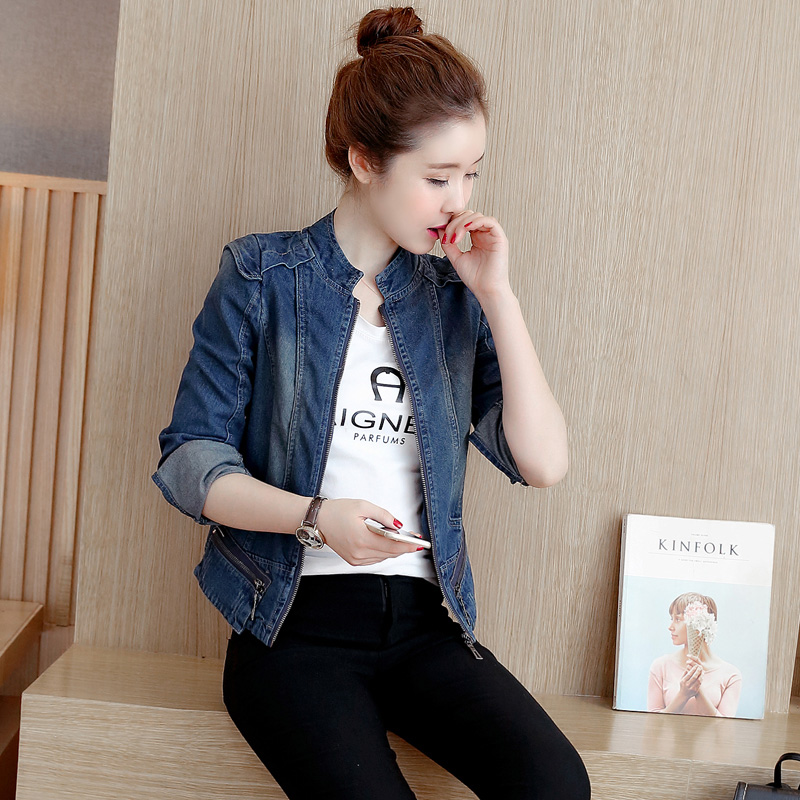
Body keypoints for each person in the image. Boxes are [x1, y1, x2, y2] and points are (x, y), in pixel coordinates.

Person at [152, 6, 590, 799]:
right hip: (293, 629)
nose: (458, 200)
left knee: (554, 784)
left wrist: (496, 295)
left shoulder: (453, 299)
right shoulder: (261, 278)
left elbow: (544, 462)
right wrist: (317, 517)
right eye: (437, 178)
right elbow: (191, 463)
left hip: (425, 630)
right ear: (363, 160)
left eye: (472, 175)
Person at [647, 592, 742, 717]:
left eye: (678, 619)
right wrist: (683, 695)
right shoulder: (660, 666)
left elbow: (725, 726)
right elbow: (652, 721)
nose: (670, 627)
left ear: (699, 624)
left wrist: (698, 691)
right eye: (672, 619)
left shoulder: (730, 675)